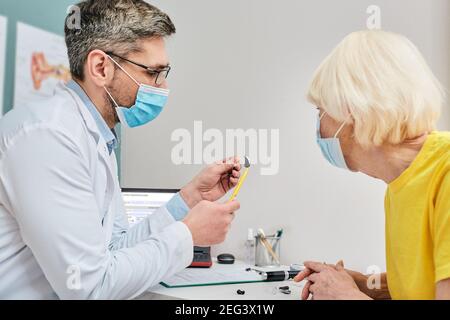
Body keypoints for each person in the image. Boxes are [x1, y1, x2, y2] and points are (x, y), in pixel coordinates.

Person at [0, 0, 241, 299]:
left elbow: (114, 248)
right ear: (101, 67)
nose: (163, 87)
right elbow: (88, 288)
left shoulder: (98, 137)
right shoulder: (47, 138)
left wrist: (189, 199)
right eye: (153, 72)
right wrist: (188, 235)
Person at [294, 30, 450, 300]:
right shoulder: (401, 181)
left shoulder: (445, 175)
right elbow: (424, 283)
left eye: (321, 111)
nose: (319, 126)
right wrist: (365, 284)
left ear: (353, 112)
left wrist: (347, 296)